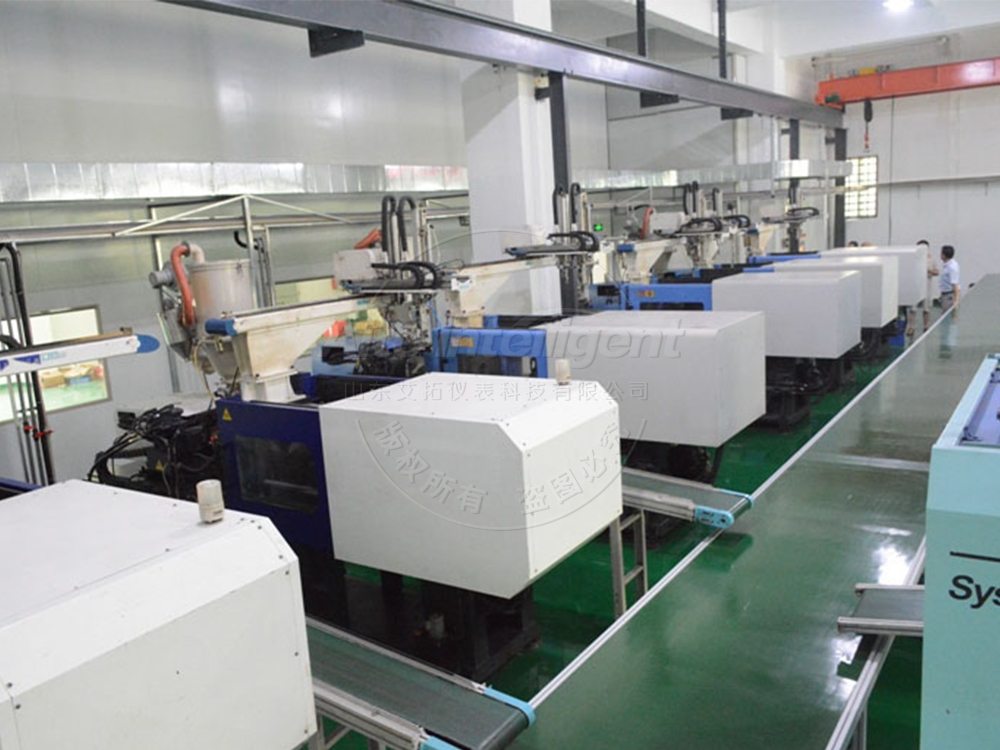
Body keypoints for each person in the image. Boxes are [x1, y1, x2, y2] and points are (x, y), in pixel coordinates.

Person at [939, 245, 960, 312]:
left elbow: (955, 284)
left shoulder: (952, 267)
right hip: (945, 294)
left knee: (947, 314)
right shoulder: (947, 265)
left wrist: (956, 300)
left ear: (944, 255)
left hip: (949, 295)